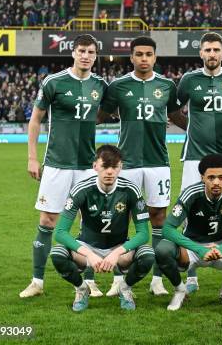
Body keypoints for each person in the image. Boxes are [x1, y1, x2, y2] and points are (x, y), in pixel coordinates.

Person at [20, 34, 107, 298]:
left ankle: (90, 280)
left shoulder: (101, 85)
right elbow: (35, 121)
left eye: (91, 52)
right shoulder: (53, 82)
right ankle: (37, 282)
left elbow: (103, 114)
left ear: (95, 56)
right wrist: (33, 158)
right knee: (48, 220)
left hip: (87, 165)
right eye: (81, 50)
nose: (86, 56)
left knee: (89, 222)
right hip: (57, 163)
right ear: (73, 52)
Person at [99, 36, 187, 297]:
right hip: (127, 162)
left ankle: (157, 278)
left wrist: (199, 128)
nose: (144, 59)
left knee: (158, 217)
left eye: (149, 54)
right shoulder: (118, 86)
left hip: (158, 162)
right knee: (121, 218)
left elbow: (176, 116)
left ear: (155, 57)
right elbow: (100, 115)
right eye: (139, 54)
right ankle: (118, 276)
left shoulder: (167, 85)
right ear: (132, 57)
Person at [176, 32, 222, 294]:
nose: (212, 54)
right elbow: (174, 108)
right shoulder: (189, 80)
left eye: (216, 50)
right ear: (201, 53)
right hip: (195, 155)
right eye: (207, 50)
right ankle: (191, 273)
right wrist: (190, 129)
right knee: (188, 210)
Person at [50, 145, 154, 311]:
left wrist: (117, 253)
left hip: (119, 249)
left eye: (114, 167)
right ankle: (82, 289)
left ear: (121, 167)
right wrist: (89, 254)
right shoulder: (81, 189)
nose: (109, 172)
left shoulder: (131, 190)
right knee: (57, 254)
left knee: (148, 255)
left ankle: (125, 288)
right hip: (87, 247)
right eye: (105, 167)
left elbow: (143, 234)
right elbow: (60, 233)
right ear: (95, 166)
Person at [155, 154, 222, 311]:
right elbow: (167, 228)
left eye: (221, 177)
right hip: (193, 248)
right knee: (162, 249)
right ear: (202, 177)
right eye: (211, 177)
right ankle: (180, 289)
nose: (216, 182)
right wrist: (199, 249)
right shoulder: (191, 193)